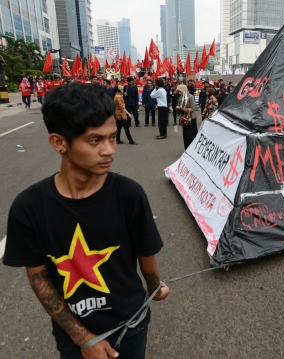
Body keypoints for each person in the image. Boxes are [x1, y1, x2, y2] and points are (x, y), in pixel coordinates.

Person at [2, 83, 169, 358]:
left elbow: (145, 252)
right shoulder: (28, 207)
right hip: (73, 335)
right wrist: (84, 339)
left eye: (112, 137)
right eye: (95, 140)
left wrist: (155, 287)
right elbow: (39, 278)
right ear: (59, 143)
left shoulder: (129, 194)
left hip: (131, 325)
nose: (109, 150)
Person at [175, 84, 198, 149]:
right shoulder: (180, 97)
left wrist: (185, 109)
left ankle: (192, 149)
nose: (179, 93)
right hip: (183, 118)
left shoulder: (190, 97)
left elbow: (193, 108)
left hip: (191, 118)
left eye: (180, 91)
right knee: (185, 135)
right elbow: (178, 106)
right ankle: (187, 149)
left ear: (183, 90)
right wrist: (177, 108)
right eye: (178, 92)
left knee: (191, 135)